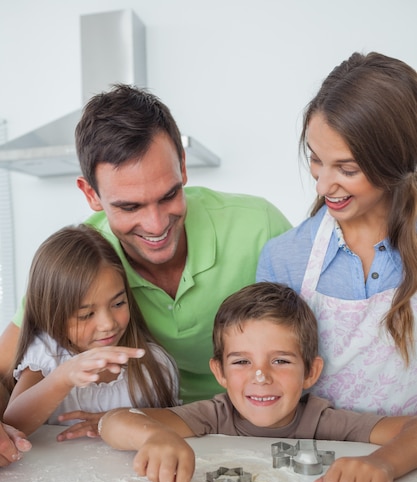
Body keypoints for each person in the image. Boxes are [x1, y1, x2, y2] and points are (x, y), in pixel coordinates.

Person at [0, 85, 291, 418]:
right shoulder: (86, 258)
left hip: (254, 416)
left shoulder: (260, 227)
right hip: (156, 422)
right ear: (91, 194)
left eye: (168, 196)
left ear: (182, 166)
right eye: (129, 206)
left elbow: (314, 344)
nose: (155, 225)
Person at [96, 282, 417, 482]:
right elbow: (116, 420)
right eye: (242, 362)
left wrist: (383, 464)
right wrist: (154, 437)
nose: (260, 377)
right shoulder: (213, 415)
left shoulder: (321, 420)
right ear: (219, 371)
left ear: (311, 372)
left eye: (280, 360)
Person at [256, 51, 417, 416]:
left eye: (346, 168)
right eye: (315, 159)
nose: (323, 186)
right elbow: (269, 385)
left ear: (396, 162)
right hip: (320, 461)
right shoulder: (284, 259)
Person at [3, 225, 179, 437]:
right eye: (86, 315)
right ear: (51, 315)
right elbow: (13, 422)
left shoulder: (154, 367)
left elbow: (173, 429)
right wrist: (64, 377)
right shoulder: (47, 356)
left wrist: (115, 422)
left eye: (118, 303)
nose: (107, 324)